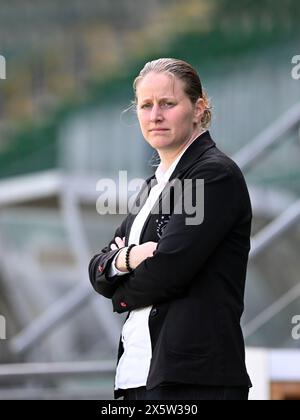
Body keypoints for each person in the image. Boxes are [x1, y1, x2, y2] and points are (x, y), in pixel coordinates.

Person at [89, 58, 252, 400]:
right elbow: (97, 268)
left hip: (193, 383)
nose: (155, 115)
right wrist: (130, 257)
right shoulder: (153, 187)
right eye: (146, 105)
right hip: (137, 377)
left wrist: (120, 294)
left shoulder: (213, 175)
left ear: (198, 108)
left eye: (167, 103)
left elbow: (168, 271)